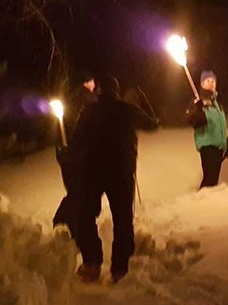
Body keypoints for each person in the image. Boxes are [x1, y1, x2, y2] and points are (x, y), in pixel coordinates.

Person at [71, 75, 158, 283]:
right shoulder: (127, 110)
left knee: (85, 215)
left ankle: (92, 263)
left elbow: (76, 141)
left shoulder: (88, 112)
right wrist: (142, 99)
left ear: (98, 91)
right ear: (116, 91)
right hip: (121, 172)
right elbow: (153, 124)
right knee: (123, 219)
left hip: (93, 173)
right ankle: (120, 269)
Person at [52, 70, 97, 236]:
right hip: (78, 155)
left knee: (76, 191)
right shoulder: (89, 101)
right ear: (87, 82)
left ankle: (70, 224)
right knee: (81, 192)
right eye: (93, 81)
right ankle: (66, 222)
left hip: (66, 154)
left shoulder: (70, 100)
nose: (95, 84)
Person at [185, 70, 228, 189]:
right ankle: (200, 202)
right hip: (207, 144)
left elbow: (220, 124)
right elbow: (191, 120)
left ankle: (208, 203)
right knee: (209, 179)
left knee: (213, 179)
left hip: (218, 145)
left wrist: (224, 142)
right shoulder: (198, 100)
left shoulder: (216, 102)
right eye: (207, 81)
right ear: (202, 84)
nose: (211, 83)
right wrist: (198, 110)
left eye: (213, 81)